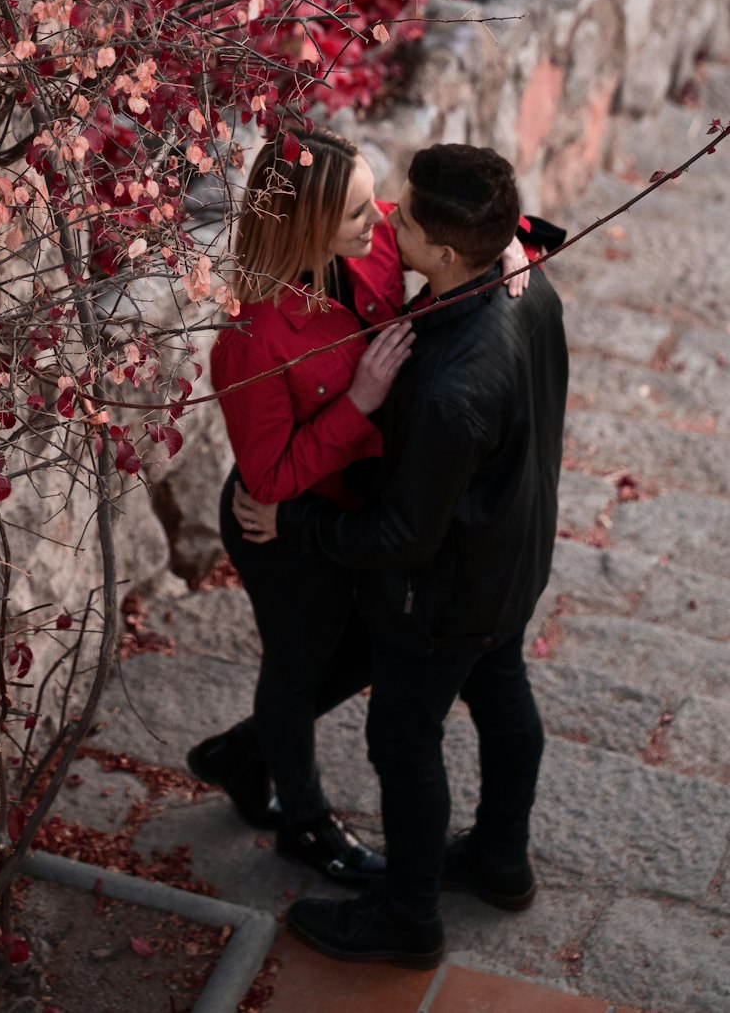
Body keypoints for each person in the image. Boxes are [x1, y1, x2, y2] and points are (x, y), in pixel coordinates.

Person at [234, 143, 568, 968]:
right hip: (510, 557)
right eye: (375, 207)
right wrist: (516, 243)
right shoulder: (522, 282)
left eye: (404, 215)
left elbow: (401, 540)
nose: (389, 219)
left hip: (443, 591)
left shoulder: (450, 390)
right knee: (502, 691)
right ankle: (499, 860)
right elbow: (498, 232)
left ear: (449, 254)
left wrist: (297, 528)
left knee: (405, 743)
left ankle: (408, 920)